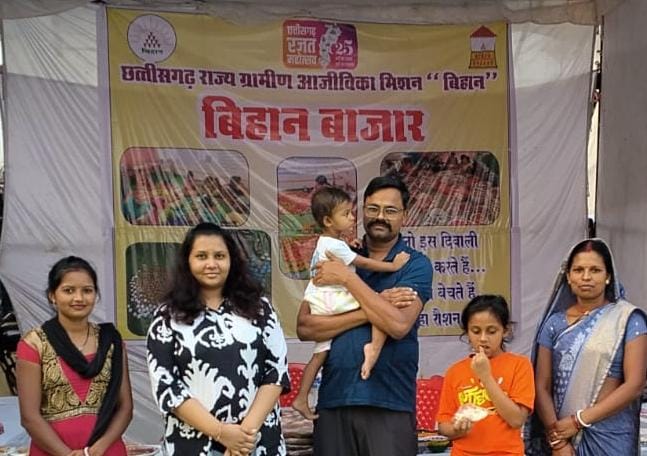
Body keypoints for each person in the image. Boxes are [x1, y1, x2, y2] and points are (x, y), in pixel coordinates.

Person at [297, 175, 433, 456]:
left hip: (389, 403)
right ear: (362, 211)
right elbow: (306, 327)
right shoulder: (339, 255)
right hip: (334, 400)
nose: (380, 216)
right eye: (373, 208)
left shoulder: (414, 264)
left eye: (390, 210)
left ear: (404, 216)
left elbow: (397, 325)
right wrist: (376, 305)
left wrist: (348, 279)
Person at [146, 222, 290, 456]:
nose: (211, 264)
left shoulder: (260, 309)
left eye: (220, 256)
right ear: (187, 261)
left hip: (256, 442)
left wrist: (243, 438)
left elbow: (276, 372)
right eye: (201, 256)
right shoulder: (167, 316)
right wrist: (222, 433)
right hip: (193, 445)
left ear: (232, 261)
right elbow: (167, 387)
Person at [291, 186, 410, 420]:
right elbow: (364, 263)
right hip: (332, 299)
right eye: (346, 214)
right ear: (328, 221)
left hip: (320, 302)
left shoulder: (330, 243)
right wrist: (393, 266)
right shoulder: (336, 246)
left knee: (319, 354)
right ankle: (373, 348)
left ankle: (301, 397)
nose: (352, 217)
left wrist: (350, 248)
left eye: (390, 210)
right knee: (378, 305)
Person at [525, 238, 647, 456]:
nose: (586, 277)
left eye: (595, 270)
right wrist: (558, 441)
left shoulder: (627, 319)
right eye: (578, 270)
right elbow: (541, 386)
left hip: (612, 437)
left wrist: (578, 421)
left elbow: (635, 385)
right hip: (563, 437)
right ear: (568, 276)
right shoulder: (554, 324)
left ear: (608, 276)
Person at [16, 256, 132, 456]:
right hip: (51, 451)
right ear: (52, 295)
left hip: (105, 450)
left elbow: (125, 407)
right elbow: (29, 417)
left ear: (96, 294)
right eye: (68, 290)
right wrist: (67, 454)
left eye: (87, 290)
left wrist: (98, 449)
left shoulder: (111, 341)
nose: (79, 298)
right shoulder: (33, 344)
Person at [436, 295, 534, 455]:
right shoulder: (455, 371)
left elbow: (516, 420)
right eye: (475, 331)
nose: (483, 339)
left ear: (505, 330)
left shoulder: (519, 365)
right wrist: (457, 429)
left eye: (491, 331)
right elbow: (443, 425)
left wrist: (486, 377)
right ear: (467, 332)